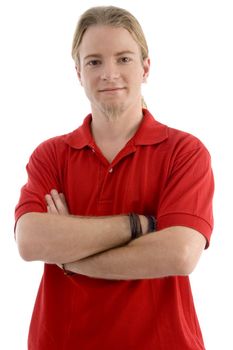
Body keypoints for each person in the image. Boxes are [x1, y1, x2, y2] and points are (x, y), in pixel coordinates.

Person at [15, 5, 214, 350]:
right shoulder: (50, 155)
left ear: (145, 67)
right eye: (94, 61)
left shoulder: (184, 151)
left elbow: (179, 254)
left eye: (123, 59)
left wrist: (68, 255)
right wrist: (138, 225)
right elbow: (31, 241)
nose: (109, 73)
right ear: (78, 72)